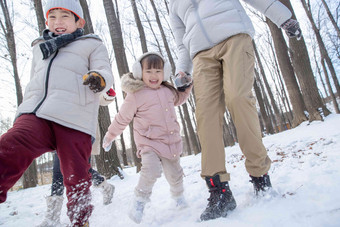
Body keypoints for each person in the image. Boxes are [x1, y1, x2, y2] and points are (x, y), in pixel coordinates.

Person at [169, 0, 302, 221]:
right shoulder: (174, 5)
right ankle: (219, 190)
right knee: (205, 115)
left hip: (234, 36)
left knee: (238, 98)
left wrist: (284, 18)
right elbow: (181, 43)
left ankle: (260, 176)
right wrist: (182, 70)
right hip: (200, 55)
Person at [0, 0, 114, 226]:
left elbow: (104, 70)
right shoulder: (39, 47)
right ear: (46, 21)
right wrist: (23, 110)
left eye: (65, 16)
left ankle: (80, 220)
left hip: (74, 117)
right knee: (8, 147)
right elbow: (34, 81)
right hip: (36, 114)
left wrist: (99, 79)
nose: (58, 22)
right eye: (53, 17)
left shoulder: (91, 44)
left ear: (78, 21)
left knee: (76, 173)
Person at [102, 52, 193, 224]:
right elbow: (122, 118)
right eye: (149, 71)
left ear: (164, 73)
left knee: (175, 174)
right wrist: (110, 135)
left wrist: (186, 87)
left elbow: (180, 98)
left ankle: (179, 196)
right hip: (148, 142)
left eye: (158, 71)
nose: (154, 76)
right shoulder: (136, 95)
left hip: (170, 142)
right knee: (151, 170)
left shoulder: (168, 91)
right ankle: (139, 202)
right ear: (139, 72)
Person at [38, 89, 116, 227]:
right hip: (61, 129)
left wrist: (108, 92)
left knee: (76, 168)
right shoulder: (58, 83)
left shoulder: (84, 78)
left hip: (83, 130)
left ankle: (55, 217)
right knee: (61, 170)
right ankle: (53, 217)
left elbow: (102, 97)